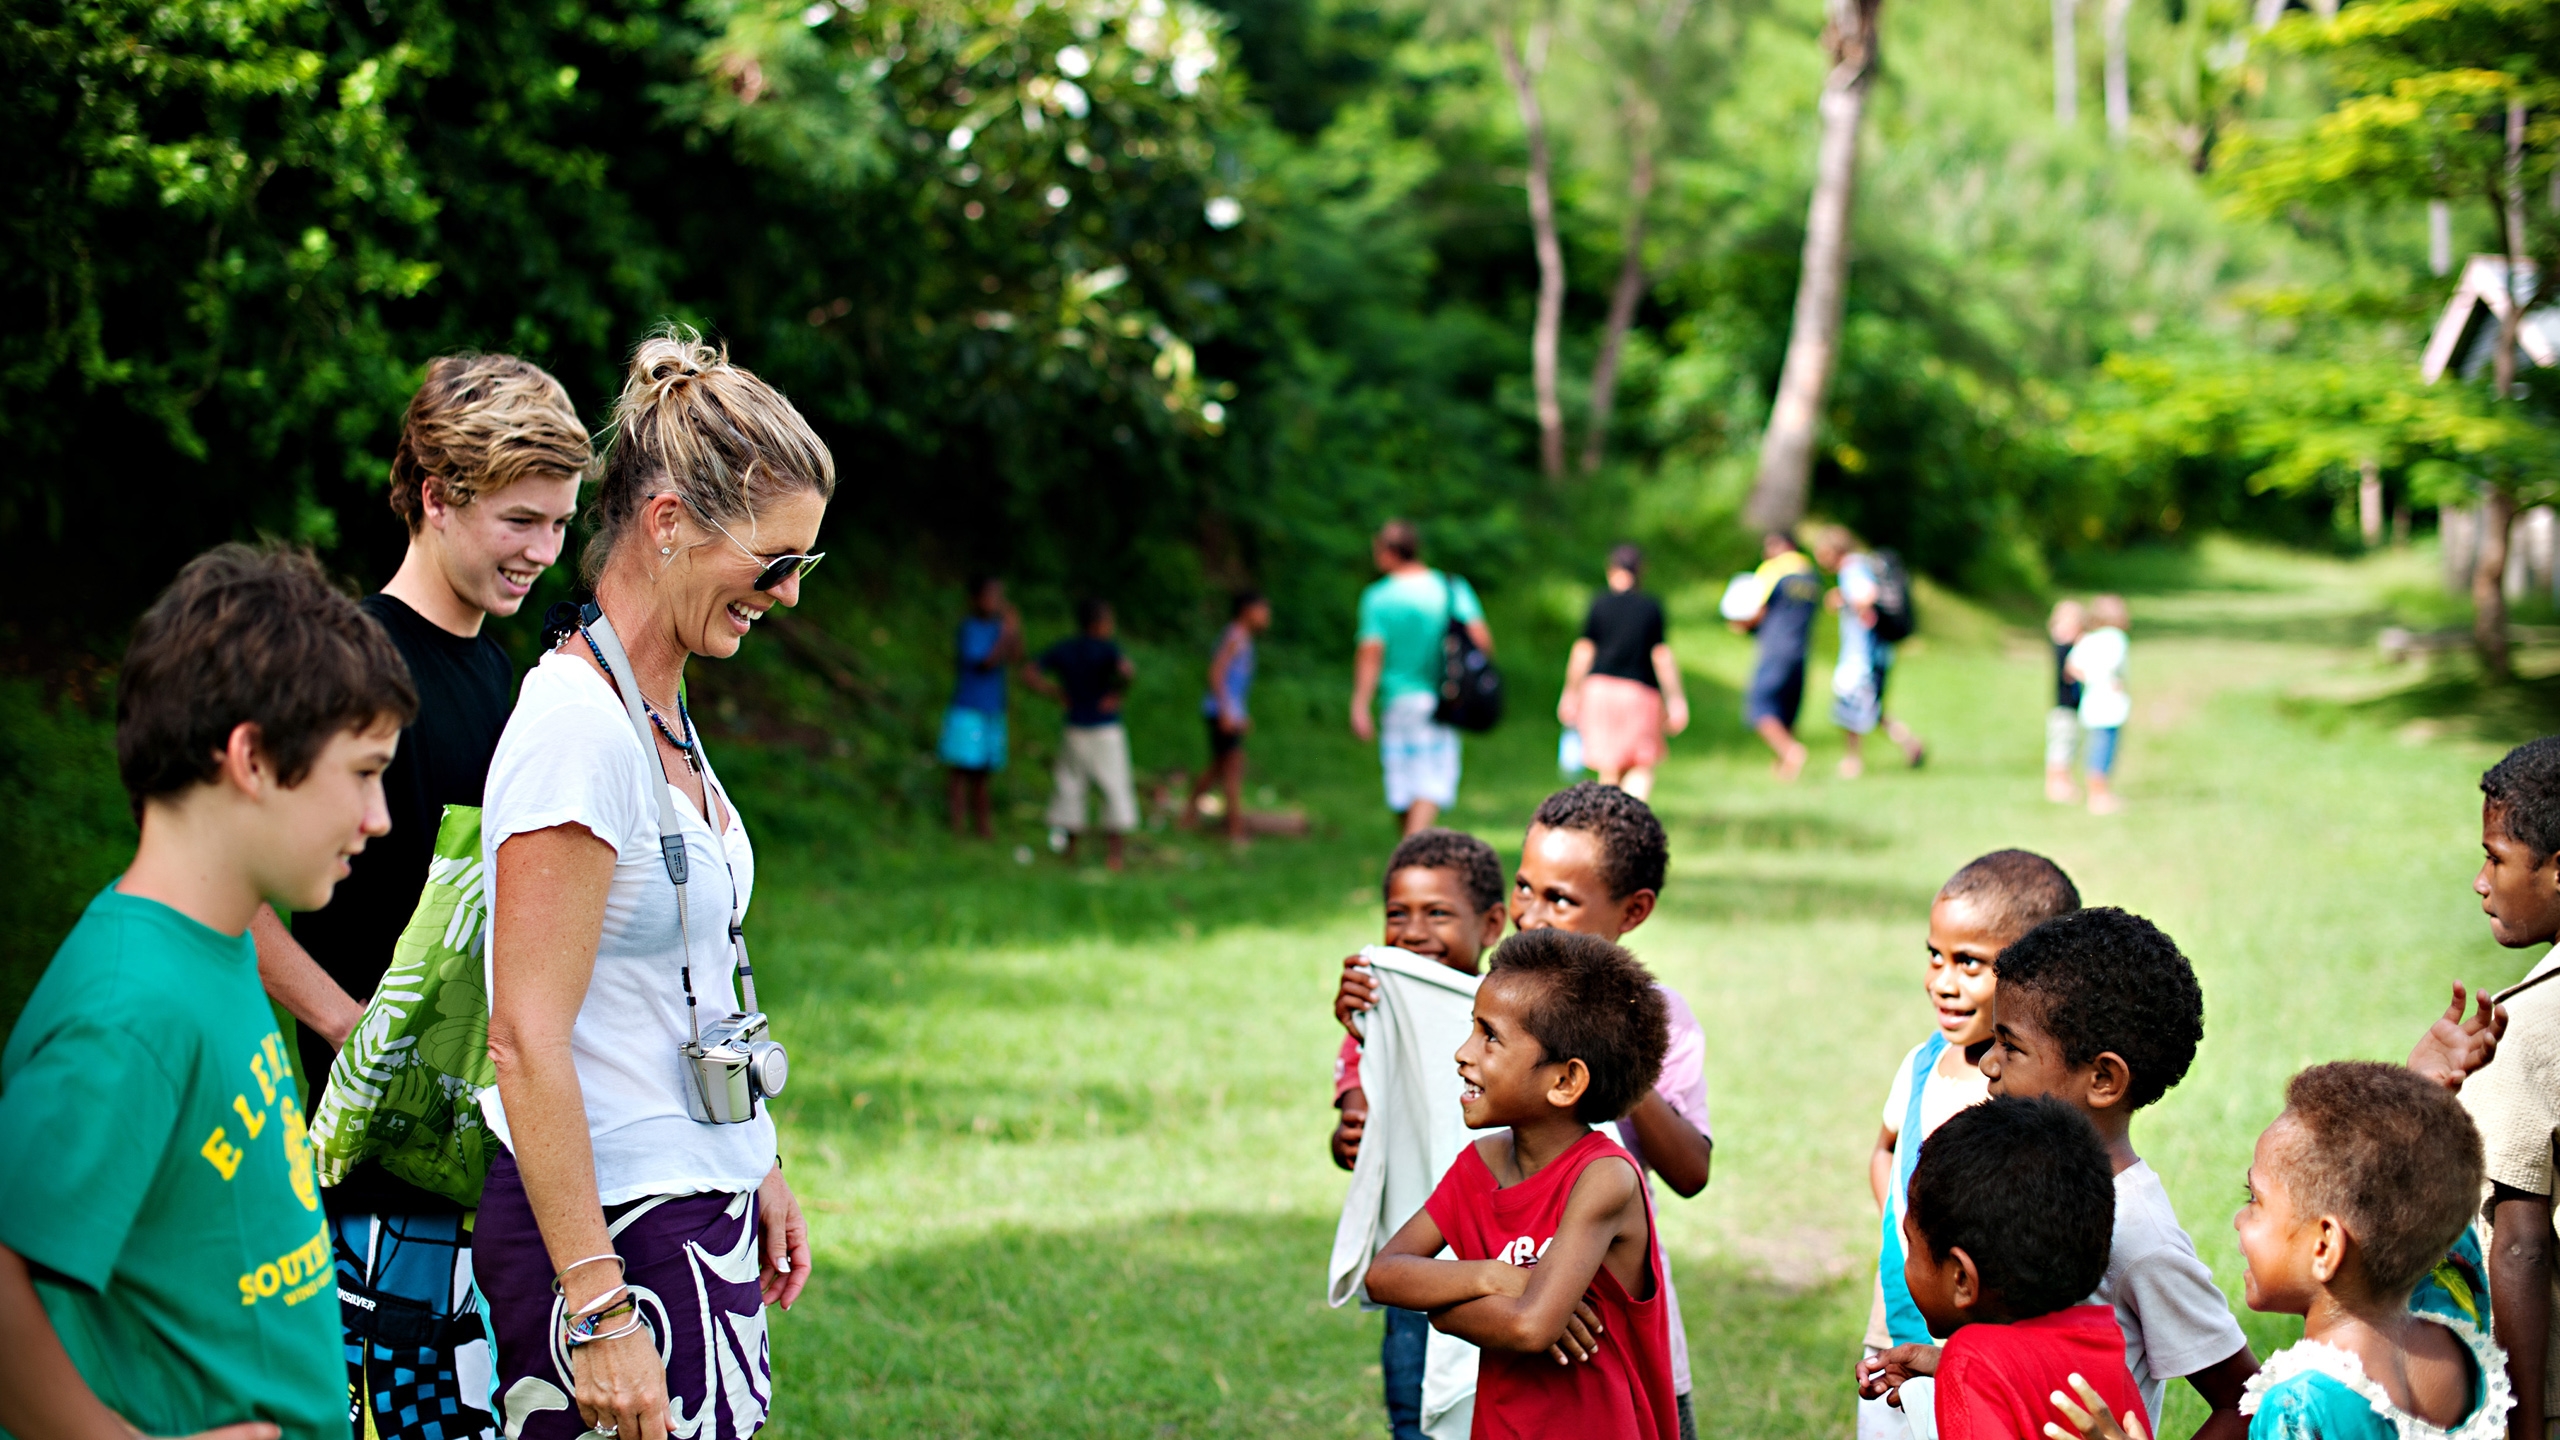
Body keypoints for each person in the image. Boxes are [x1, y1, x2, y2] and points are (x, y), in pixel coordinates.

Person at [477, 329, 823, 1440]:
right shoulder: (579, 729)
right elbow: (525, 1037)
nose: (788, 596)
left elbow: (691, 965)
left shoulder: (661, 707)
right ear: (669, 524)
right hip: (610, 1237)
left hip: (686, 1205)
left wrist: (749, 1157)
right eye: (773, 563)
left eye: (803, 567)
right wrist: (598, 1308)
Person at [0, 544, 416, 1440]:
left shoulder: (218, 944)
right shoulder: (128, 1011)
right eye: (364, 772)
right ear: (253, 759)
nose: (377, 818)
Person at [250, 353, 588, 1440]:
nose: (542, 553)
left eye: (559, 524)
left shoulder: (505, 675)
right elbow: (231, 896)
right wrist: (351, 1028)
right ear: (438, 498)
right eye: (518, 521)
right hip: (375, 1195)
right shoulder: (347, 662)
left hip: (490, 1166)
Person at [1363, 929, 1681, 1440]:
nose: (1463, 1053)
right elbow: (1385, 1275)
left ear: (1564, 1082)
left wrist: (1445, 1308)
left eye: (1489, 1036)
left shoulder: (1604, 1178)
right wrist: (1497, 1278)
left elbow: (1532, 1327)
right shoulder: (1479, 1165)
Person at [1972, 908, 2260, 1440]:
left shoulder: (2137, 1234)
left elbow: (2245, 1400)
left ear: (2102, 1079)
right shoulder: (2022, 1181)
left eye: (2010, 1046)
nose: (1988, 1063)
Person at [1505, 782, 1714, 1438]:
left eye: (1560, 899)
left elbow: (1689, 1171)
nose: (1531, 915)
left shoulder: (1661, 1018)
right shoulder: (1489, 1012)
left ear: (1634, 910)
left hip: (1624, 1328)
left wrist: (1622, 1057)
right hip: (1511, 1316)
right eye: (1523, 887)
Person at [1859, 850, 2084, 1440]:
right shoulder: (1920, 1064)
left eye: (1970, 963)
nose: (1942, 981)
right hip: (1892, 1339)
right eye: (1935, 956)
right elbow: (1886, 1148)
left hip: (1986, 1360)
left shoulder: (2026, 1096)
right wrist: (1907, 1225)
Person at [1327, 828, 1512, 1440]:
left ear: (1490, 925)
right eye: (1396, 915)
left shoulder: (1518, 1020)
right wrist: (1362, 1037)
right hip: (1420, 1263)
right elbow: (1359, 1119)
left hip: (1508, 1263)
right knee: (1414, 1420)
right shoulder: (1376, 1013)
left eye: (1437, 913)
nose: (1412, 932)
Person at [2229, 1063, 2508, 1440]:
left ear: (2325, 1246)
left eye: (2253, 1200)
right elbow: (2412, 1200)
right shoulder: (2458, 1319)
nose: (2239, 1220)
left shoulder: (2299, 1409)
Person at [1868, 1095, 2143, 1440]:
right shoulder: (2104, 1343)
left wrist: (1960, 1367)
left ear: (1962, 1279)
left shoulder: (1969, 1361)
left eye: (1912, 1246)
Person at [2452, 737, 2560, 1440]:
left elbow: (2519, 1241)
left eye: (2496, 857)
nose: (2480, 880)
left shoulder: (2530, 1023)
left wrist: (2520, 1428)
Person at [1352, 519, 1495, 836]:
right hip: (1440, 699)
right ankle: (1411, 855)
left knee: (1402, 786)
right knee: (1432, 783)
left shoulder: (1378, 597)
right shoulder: (1449, 587)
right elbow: (1482, 642)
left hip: (1396, 702)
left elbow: (1370, 655)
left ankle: (1408, 855)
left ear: (1389, 552)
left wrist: (1360, 704)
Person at [1558, 545, 1690, 801]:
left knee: (1609, 768)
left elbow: (1583, 651)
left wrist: (1571, 692)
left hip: (1599, 690)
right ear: (1641, 571)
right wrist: (1676, 699)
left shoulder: (1599, 603)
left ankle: (1612, 827)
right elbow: (1660, 656)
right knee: (1641, 765)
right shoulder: (1650, 607)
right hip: (1638, 692)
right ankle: (1633, 823)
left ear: (1611, 570)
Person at [1024, 598, 1138, 870]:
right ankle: (1115, 855)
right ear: (1101, 623)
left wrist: (1054, 693)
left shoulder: (1066, 649)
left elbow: (1028, 672)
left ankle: (1070, 851)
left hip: (1075, 726)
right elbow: (1127, 671)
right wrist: (1117, 694)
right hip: (1105, 727)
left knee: (1071, 785)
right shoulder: (1108, 649)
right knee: (1113, 785)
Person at [1814, 527, 1925, 779]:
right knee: (1870, 710)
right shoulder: (1862, 565)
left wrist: (1841, 599)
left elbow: (1867, 596)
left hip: (1863, 655)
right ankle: (1910, 744)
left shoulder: (1852, 569)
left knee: (1850, 708)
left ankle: (1852, 762)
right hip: (1873, 652)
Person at [1730, 532, 1821, 782]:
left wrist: (1740, 624)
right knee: (1787, 709)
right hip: (1801, 650)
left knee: (1759, 706)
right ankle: (1785, 766)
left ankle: (1791, 751)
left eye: (1770, 545)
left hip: (1774, 648)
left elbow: (1756, 609)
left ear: (1784, 545)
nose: (1766, 551)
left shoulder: (1773, 570)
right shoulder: (1810, 574)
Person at [1185, 590, 1272, 843]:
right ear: (1247, 610)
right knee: (1233, 769)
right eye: (1262, 610)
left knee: (1218, 767)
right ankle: (1235, 830)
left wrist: (1239, 713)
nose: (1266, 616)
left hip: (1228, 713)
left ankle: (1188, 816)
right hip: (1221, 713)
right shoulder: (1234, 637)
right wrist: (1226, 712)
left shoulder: (1243, 638)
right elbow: (1216, 673)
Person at [940, 575, 1020, 839]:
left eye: (999, 597)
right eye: (990, 596)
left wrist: (1014, 631)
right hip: (967, 708)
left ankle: (983, 829)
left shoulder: (1001, 628)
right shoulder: (970, 628)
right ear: (975, 599)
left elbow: (1018, 656)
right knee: (960, 770)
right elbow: (984, 663)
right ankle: (957, 828)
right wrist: (1005, 635)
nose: (995, 602)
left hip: (991, 709)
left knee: (984, 774)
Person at [2066, 595, 2132, 815]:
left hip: (2091, 703)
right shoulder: (2116, 638)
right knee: (2105, 749)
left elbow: (2072, 666)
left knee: (2095, 748)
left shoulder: (2088, 639)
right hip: (2110, 704)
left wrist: (2090, 678)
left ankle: (2096, 792)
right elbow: (2112, 665)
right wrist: (2106, 679)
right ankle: (2100, 795)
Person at [2046, 600, 2088, 804]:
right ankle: (2057, 784)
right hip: (2064, 705)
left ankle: (2064, 782)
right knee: (2062, 744)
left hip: (2070, 706)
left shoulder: (2066, 646)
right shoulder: (2063, 647)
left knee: (2069, 744)